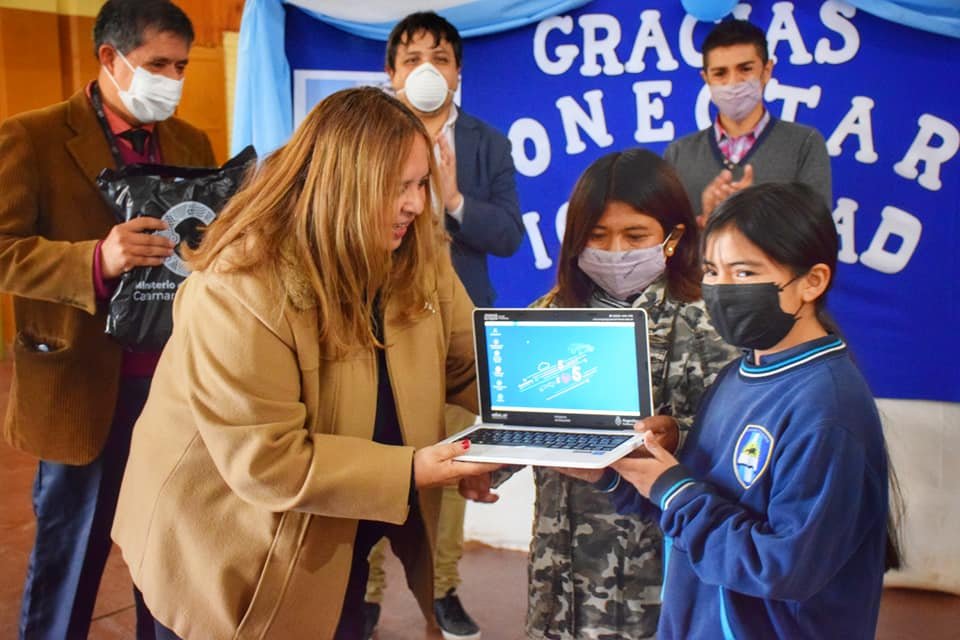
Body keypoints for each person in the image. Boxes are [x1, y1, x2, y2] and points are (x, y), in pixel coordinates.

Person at [109, 86, 500, 640]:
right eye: (396, 188)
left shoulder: (417, 256)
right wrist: (416, 469)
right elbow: (266, 461)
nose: (415, 204)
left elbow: (465, 368)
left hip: (333, 533)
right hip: (226, 550)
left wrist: (539, 427)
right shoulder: (238, 286)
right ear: (338, 186)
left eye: (420, 184)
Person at [0, 1, 215, 638]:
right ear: (109, 58)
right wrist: (97, 258)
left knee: (168, 561)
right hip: (80, 385)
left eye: (180, 66)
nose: (171, 80)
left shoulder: (193, 142)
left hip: (174, 389)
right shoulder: (30, 136)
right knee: (69, 561)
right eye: (157, 64)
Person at [461, 149, 737, 640]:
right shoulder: (546, 315)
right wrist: (488, 466)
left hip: (656, 570)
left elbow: (735, 446)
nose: (615, 251)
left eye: (635, 236)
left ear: (672, 238)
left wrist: (676, 432)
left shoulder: (705, 324)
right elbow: (520, 416)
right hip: (559, 568)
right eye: (597, 235)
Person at [608, 182, 900, 639]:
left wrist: (674, 489)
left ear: (813, 281)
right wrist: (626, 469)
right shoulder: (740, 372)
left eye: (743, 273)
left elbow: (783, 567)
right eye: (712, 270)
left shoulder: (828, 408)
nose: (721, 290)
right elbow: (707, 503)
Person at [365, 11, 524, 640]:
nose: (426, 70)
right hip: (378, 325)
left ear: (458, 71)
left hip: (458, 331)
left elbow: (509, 235)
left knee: (457, 463)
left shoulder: (486, 142)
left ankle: (445, 589)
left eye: (440, 57)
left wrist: (454, 201)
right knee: (376, 456)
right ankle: (368, 592)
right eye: (412, 58)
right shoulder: (367, 139)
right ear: (391, 72)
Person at [664, 19, 831, 226]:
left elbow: (817, 233)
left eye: (745, 69)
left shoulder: (804, 145)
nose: (733, 82)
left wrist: (752, 213)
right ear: (706, 78)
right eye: (720, 73)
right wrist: (707, 221)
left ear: (766, 71)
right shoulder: (679, 154)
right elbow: (669, 241)